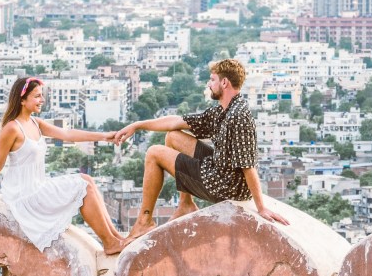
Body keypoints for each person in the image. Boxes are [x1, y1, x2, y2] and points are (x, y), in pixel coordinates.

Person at [113, 58, 289, 240]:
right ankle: (185, 204)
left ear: (224, 82)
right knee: (172, 136)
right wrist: (138, 125)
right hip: (220, 169)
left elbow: (248, 165)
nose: (209, 84)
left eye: (212, 80)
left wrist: (261, 207)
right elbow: (176, 121)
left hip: (226, 186)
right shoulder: (223, 110)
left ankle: (144, 221)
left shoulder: (238, 117)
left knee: (154, 153)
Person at [0, 77, 127, 255]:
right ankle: (109, 242)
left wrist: (104, 136)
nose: (42, 100)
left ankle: (116, 238)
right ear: (22, 100)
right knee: (84, 186)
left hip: (39, 186)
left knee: (88, 180)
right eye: (37, 96)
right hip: (24, 195)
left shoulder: (35, 123)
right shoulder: (12, 128)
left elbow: (67, 134)